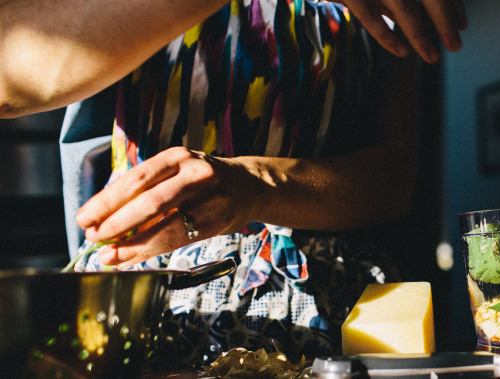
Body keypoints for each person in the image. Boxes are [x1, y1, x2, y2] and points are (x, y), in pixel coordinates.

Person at [0, 0, 466, 370]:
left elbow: (393, 180)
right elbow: (9, 75)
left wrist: (254, 185)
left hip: (337, 316)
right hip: (148, 311)